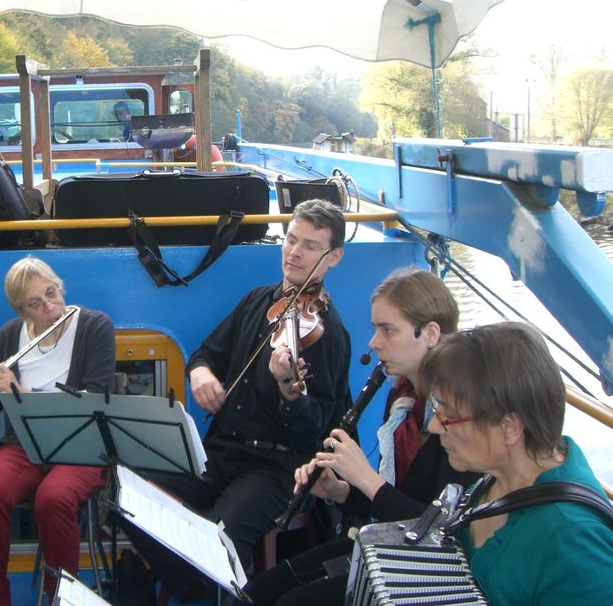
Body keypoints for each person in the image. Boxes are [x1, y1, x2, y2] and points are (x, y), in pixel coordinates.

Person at [123, 198, 352, 600]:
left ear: (333, 257)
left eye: (311, 246)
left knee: (221, 536)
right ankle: (193, 586)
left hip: (276, 468)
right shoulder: (256, 301)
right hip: (221, 453)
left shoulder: (328, 333)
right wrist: (201, 373)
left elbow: (316, 427)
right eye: (291, 239)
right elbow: (206, 353)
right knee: (126, 491)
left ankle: (217, 585)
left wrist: (288, 390)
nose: (294, 252)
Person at [244, 267, 480, 605]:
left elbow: (439, 530)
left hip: (429, 571)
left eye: (388, 330)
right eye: (375, 328)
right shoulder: (403, 398)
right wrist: (339, 490)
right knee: (260, 591)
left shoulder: (460, 415)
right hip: (392, 545)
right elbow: (393, 499)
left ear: (429, 333)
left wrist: (364, 477)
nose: (373, 342)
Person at [0, 257, 116, 606]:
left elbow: (95, 401)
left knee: (53, 499)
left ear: (61, 287)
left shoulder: (95, 326)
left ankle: (60, 600)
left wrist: (21, 393)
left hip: (80, 444)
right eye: (35, 304)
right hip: (26, 443)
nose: (50, 307)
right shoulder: (11, 335)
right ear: (22, 311)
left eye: (52, 294)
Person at [418, 321, 613, 606]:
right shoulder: (497, 478)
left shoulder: (574, 543)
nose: (435, 426)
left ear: (509, 427)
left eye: (448, 414)